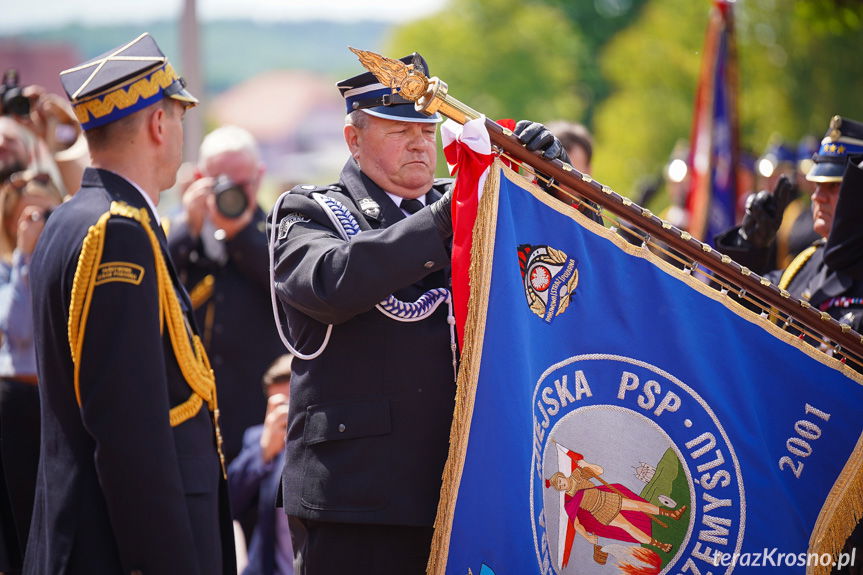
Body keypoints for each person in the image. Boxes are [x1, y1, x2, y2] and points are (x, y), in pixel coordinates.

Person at [269, 53, 566, 573]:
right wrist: (447, 219)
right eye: (397, 128)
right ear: (353, 140)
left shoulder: (465, 207)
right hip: (358, 504)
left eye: (427, 129)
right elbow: (331, 281)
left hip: (468, 489)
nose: (418, 142)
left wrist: (550, 186)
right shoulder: (309, 210)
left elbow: (552, 274)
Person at [25, 33, 235, 574]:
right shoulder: (119, 230)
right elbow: (128, 430)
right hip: (119, 549)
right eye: (179, 117)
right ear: (158, 124)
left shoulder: (70, 218)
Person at [715, 115, 863, 571]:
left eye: (833, 187)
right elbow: (745, 332)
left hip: (842, 501)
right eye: (816, 182)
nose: (816, 193)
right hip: (778, 478)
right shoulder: (803, 264)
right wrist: (750, 249)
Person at [168, 125, 284, 466]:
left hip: (259, 423)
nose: (231, 193)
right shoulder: (178, 234)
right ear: (201, 177)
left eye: (241, 183)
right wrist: (185, 230)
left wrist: (240, 234)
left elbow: (286, 288)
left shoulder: (281, 231)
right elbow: (157, 290)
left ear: (260, 177)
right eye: (220, 181)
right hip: (191, 421)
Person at [0, 169, 63, 571]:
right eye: (29, 216)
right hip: (15, 403)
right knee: (19, 519)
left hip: (55, 401)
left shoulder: (66, 264)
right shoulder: (7, 270)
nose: (39, 223)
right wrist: (25, 256)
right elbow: (18, 327)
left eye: (46, 213)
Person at [228, 354, 294, 575]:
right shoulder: (259, 441)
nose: (288, 414)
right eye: (280, 405)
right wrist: (264, 452)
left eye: (295, 403)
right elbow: (228, 504)